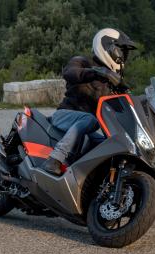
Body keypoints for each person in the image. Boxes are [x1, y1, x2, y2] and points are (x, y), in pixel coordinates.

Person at [41, 28, 137, 175]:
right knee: (91, 119)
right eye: (120, 51)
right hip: (64, 116)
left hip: (86, 129)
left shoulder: (112, 81)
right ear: (108, 48)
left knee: (111, 147)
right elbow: (70, 73)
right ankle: (55, 159)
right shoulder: (82, 62)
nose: (122, 56)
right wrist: (97, 72)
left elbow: (126, 104)